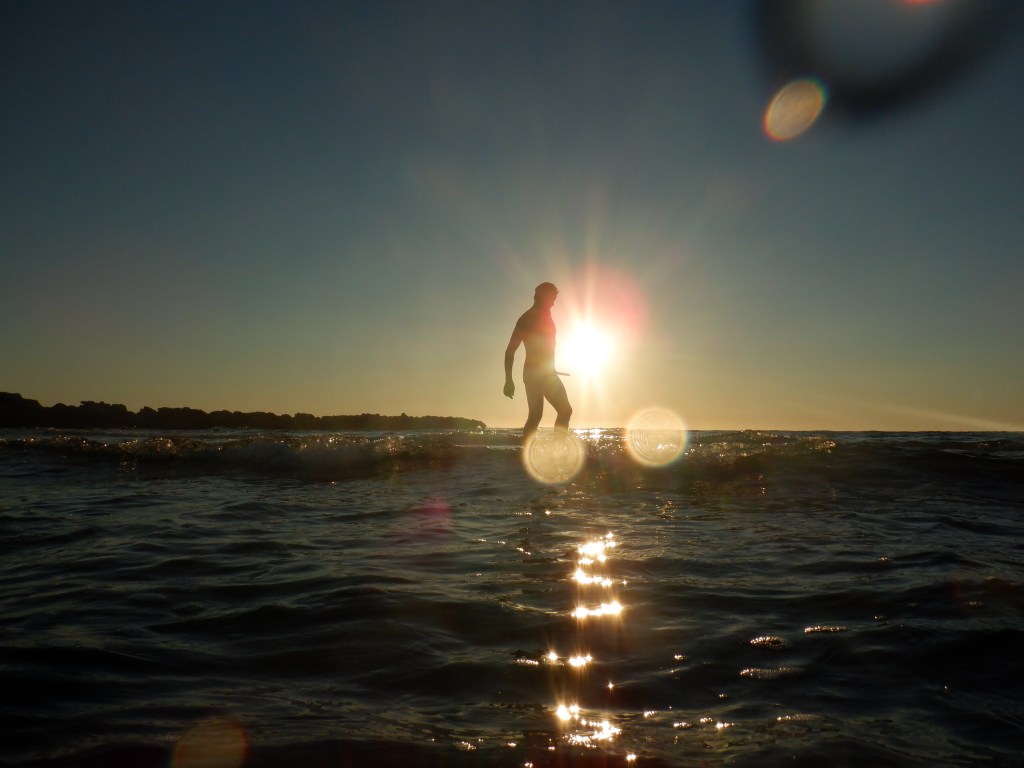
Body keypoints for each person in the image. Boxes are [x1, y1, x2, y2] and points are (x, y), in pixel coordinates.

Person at [504, 282, 572, 440]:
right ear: (543, 297)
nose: (554, 303)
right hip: (533, 375)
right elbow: (510, 351)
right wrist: (509, 380)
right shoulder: (526, 319)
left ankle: (558, 447)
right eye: (552, 299)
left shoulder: (547, 315)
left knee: (564, 411)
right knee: (536, 415)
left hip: (549, 373)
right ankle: (528, 449)